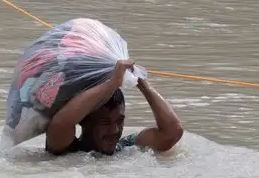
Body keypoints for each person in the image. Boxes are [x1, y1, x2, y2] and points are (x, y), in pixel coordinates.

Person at [45, 59, 185, 156]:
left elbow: (172, 132)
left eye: (120, 120)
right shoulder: (66, 148)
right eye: (105, 122)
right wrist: (112, 83)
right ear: (83, 121)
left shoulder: (126, 147)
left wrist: (140, 81)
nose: (115, 130)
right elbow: (60, 123)